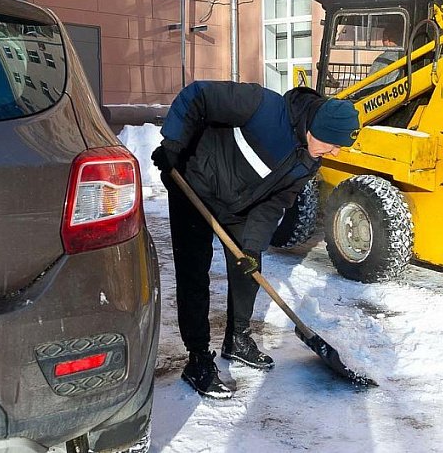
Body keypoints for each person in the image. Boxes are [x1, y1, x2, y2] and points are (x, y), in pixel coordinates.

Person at [152, 81, 360, 399]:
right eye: (332, 143)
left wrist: (251, 245)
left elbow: (274, 203)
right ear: (316, 127)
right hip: (194, 185)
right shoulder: (262, 106)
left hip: (239, 207)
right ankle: (197, 360)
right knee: (194, 275)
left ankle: (238, 339)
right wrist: (173, 144)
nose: (335, 152)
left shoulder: (308, 162)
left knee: (248, 268)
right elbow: (198, 95)